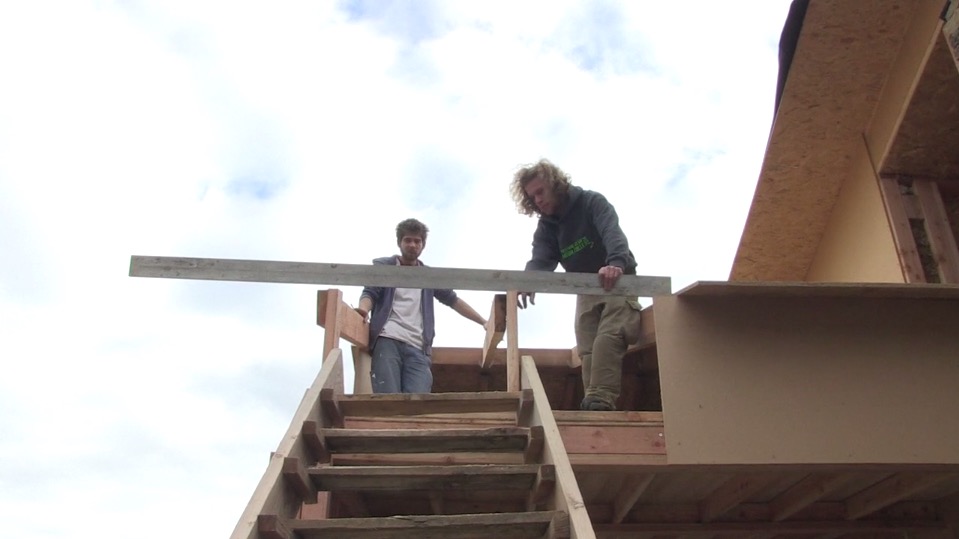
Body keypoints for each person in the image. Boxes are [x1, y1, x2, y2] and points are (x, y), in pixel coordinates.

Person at [510, 159, 642, 411]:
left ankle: (601, 399)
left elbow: (612, 232)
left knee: (609, 337)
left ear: (555, 184)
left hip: (618, 281)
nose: (538, 200)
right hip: (585, 288)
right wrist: (529, 281)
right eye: (532, 197)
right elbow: (541, 258)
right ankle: (593, 403)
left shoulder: (591, 202)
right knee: (587, 347)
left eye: (540, 192)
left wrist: (615, 263)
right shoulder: (547, 226)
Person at [356, 218, 487, 394]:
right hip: (388, 339)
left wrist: (483, 321)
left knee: (418, 401)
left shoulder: (427, 276)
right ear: (399, 242)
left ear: (423, 245)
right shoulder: (385, 267)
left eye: (417, 241)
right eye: (408, 240)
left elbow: (453, 300)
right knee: (388, 398)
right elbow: (370, 293)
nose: (412, 245)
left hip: (418, 347)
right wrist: (363, 310)